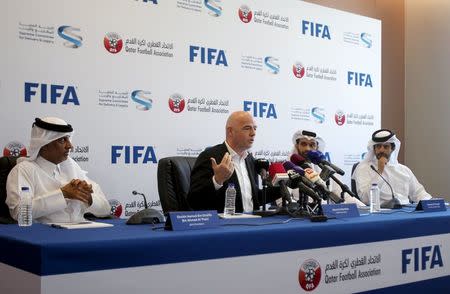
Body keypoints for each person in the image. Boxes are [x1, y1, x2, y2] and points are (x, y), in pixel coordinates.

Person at [6, 117, 111, 223]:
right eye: (62, 140)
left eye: (69, 139)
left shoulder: (72, 166)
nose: (70, 146)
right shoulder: (24, 170)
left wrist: (88, 198)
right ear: (44, 145)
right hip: (44, 234)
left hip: (81, 230)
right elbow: (19, 213)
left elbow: (106, 209)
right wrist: (63, 194)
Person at [187, 111, 280, 213]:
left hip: (252, 223)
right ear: (230, 131)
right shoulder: (211, 157)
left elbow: (253, 198)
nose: (253, 133)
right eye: (247, 128)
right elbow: (193, 201)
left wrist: (285, 187)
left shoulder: (249, 159)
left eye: (255, 128)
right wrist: (217, 180)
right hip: (224, 225)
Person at [352, 129, 432, 206]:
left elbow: (419, 193)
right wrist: (379, 172)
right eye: (378, 147)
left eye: (386, 147)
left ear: (392, 148)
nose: (381, 150)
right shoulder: (363, 168)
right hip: (380, 212)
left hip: (406, 211)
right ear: (374, 149)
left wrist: (430, 203)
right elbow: (365, 199)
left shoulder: (404, 170)